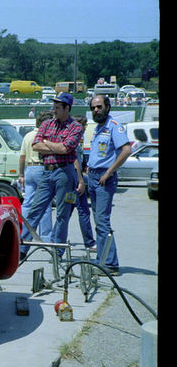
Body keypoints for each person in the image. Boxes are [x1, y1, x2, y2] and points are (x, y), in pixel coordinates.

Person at [19, 92, 84, 260]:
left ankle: (57, 251)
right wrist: (55, 145)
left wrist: (46, 143)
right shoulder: (47, 124)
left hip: (65, 172)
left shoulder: (76, 127)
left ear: (67, 108)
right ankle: (22, 248)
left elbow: (66, 149)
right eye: (53, 107)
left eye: (57, 107)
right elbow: (36, 145)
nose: (54, 110)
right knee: (35, 210)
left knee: (63, 213)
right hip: (47, 171)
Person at [85, 95, 132, 275]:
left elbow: (127, 150)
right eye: (93, 108)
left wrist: (109, 172)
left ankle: (110, 264)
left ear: (108, 107)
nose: (96, 110)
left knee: (103, 222)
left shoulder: (114, 127)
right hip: (94, 176)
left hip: (104, 178)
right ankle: (102, 260)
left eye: (99, 107)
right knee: (99, 222)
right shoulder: (98, 128)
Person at [18, 110, 54, 243]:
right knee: (45, 203)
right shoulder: (45, 136)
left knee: (27, 202)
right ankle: (45, 236)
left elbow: (22, 156)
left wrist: (21, 173)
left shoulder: (27, 135)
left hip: (29, 168)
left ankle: (24, 234)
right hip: (41, 167)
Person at [72, 116, 96, 251]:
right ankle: (89, 242)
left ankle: (57, 244)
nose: (85, 128)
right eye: (84, 125)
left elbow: (80, 160)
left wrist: (85, 165)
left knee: (65, 213)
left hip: (74, 179)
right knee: (84, 212)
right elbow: (75, 162)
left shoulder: (78, 141)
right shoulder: (74, 140)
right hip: (75, 180)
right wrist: (81, 180)